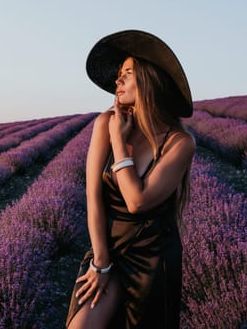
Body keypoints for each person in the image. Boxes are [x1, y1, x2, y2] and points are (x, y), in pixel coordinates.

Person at [66, 30, 196, 329]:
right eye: (118, 75)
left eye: (126, 73)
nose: (117, 81)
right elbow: (93, 196)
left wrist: (118, 140)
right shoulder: (105, 122)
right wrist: (100, 262)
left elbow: (137, 201)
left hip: (153, 259)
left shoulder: (179, 143)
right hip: (107, 249)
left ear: (150, 80)